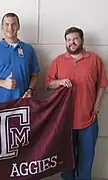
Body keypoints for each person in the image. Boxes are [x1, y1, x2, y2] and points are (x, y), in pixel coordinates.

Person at [45, 27, 108, 180]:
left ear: (82, 40)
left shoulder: (95, 60)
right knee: (66, 160)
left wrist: (97, 107)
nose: (72, 42)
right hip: (64, 120)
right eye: (68, 40)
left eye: (75, 39)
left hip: (88, 119)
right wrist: (59, 82)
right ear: (65, 42)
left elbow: (102, 85)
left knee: (86, 160)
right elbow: (48, 84)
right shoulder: (58, 61)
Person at [0, 12, 39, 104]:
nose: (10, 28)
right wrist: (3, 83)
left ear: (18, 26)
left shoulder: (28, 49)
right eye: (7, 24)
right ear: (2, 27)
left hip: (22, 102)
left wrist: (30, 90)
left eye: (13, 24)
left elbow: (34, 75)